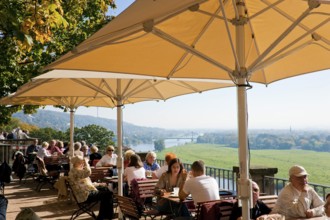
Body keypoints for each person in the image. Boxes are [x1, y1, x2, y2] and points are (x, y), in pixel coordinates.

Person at [69, 155, 113, 220]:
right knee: (107, 194)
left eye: (83, 162)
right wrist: (87, 163)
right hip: (85, 195)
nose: (83, 164)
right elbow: (88, 172)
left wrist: (99, 184)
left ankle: (105, 215)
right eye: (82, 162)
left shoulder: (78, 171)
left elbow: (88, 184)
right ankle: (104, 216)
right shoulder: (75, 171)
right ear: (76, 163)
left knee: (106, 190)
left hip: (87, 191)